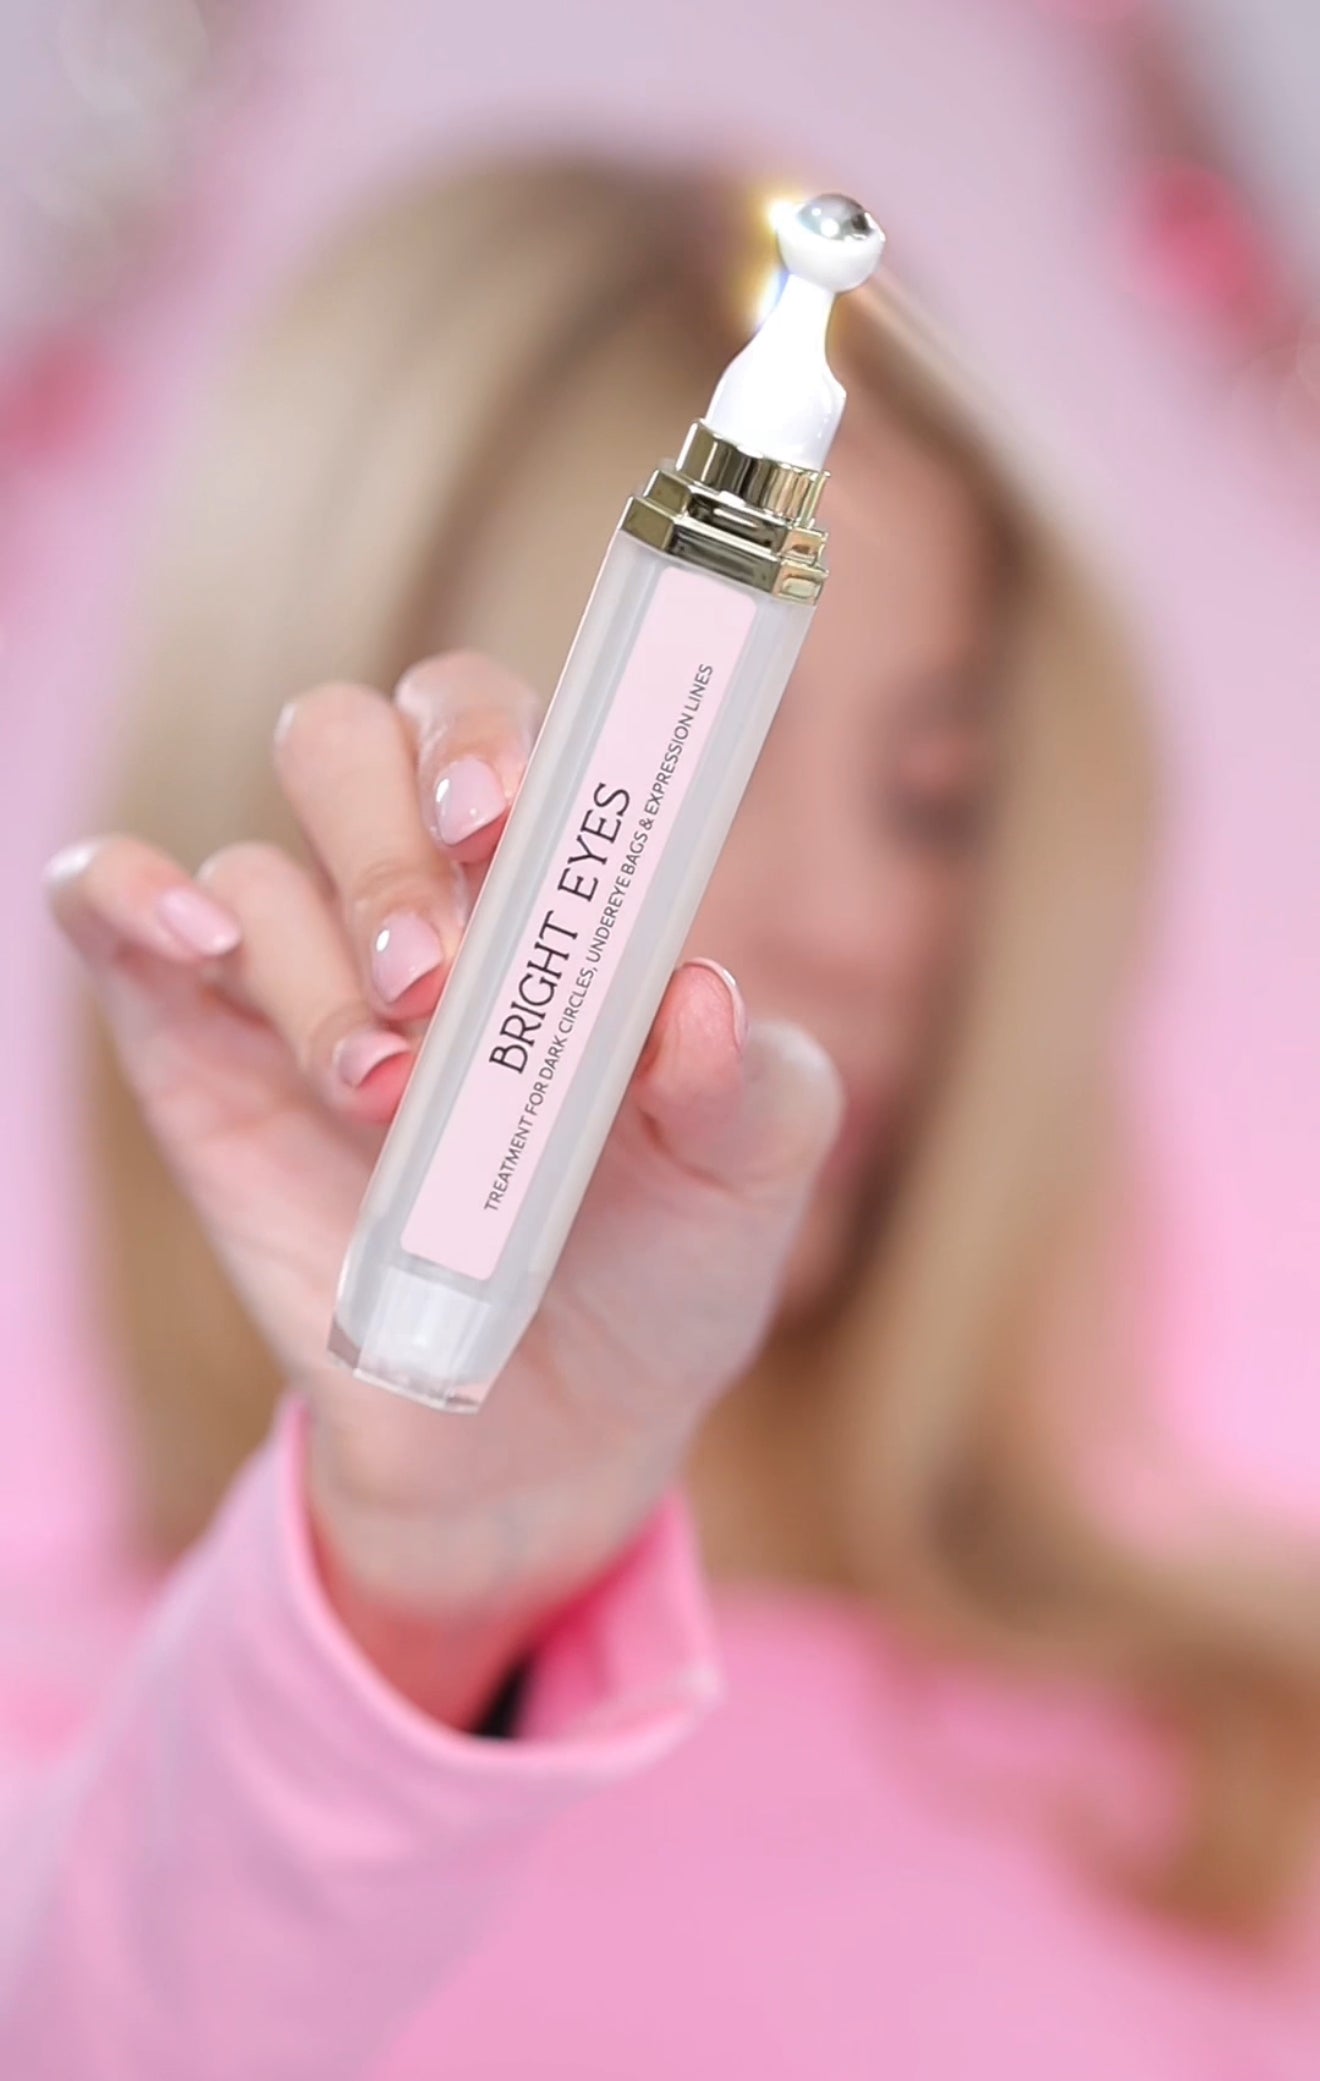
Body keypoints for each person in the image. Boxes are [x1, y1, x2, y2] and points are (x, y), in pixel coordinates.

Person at [8, 151, 1320, 2077]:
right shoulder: (84, 1813)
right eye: (718, 766)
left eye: (942, 796)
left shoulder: (1251, 1768)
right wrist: (420, 1592)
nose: (863, 924)